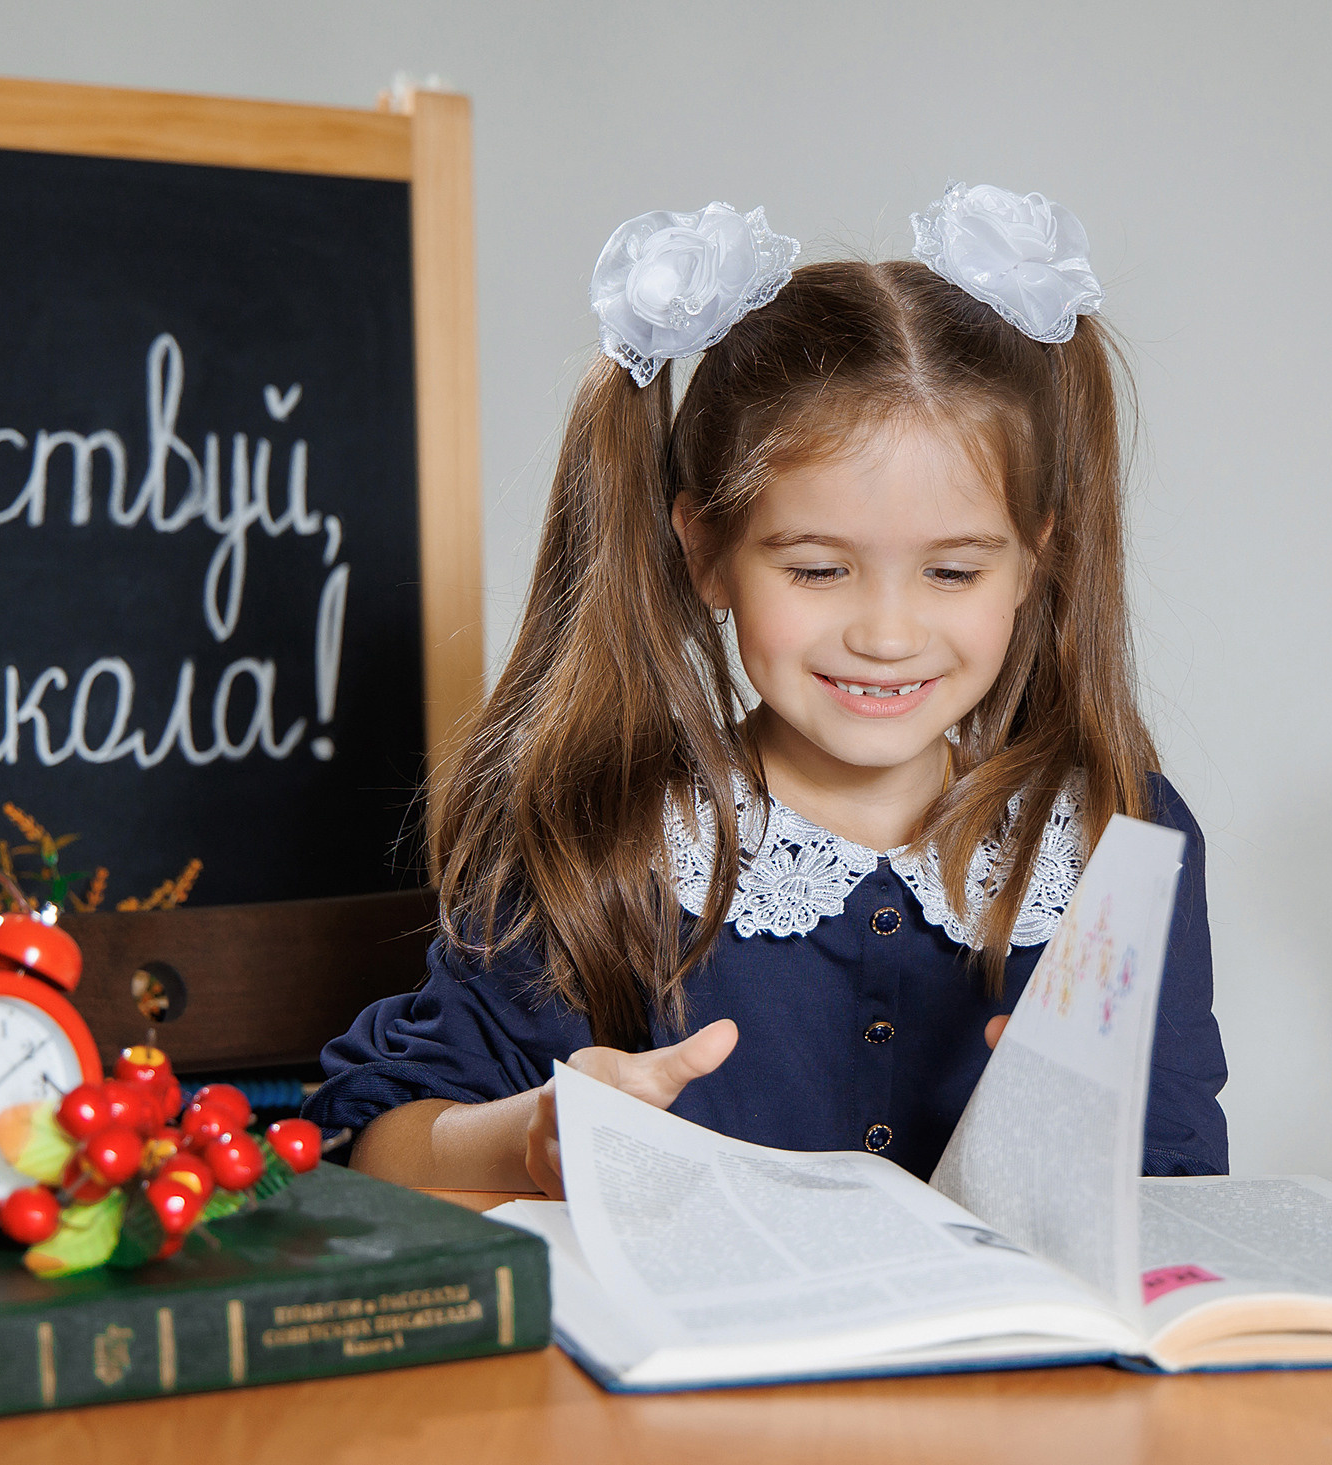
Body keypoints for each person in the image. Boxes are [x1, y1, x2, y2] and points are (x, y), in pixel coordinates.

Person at [303, 185, 1228, 1195]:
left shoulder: (1115, 835)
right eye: (818, 569)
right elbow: (378, 1140)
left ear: (1032, 562)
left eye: (953, 571)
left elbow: (1180, 1176)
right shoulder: (605, 833)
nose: (886, 634)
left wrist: (1080, 1149)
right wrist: (536, 1132)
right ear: (707, 552)